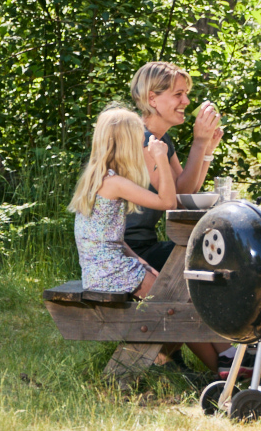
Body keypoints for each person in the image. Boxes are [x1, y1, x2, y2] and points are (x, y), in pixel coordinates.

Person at [121, 60, 220, 276]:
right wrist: (199, 144)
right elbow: (175, 201)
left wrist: (207, 151)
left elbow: (186, 192)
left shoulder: (160, 137)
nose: (186, 101)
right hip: (129, 254)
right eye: (178, 94)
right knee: (212, 255)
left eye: (186, 93)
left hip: (146, 246)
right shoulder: (142, 140)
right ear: (152, 99)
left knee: (217, 251)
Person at [69, 105, 175, 298]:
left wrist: (143, 264)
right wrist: (161, 158)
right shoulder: (115, 183)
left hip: (99, 272)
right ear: (127, 144)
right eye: (139, 141)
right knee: (172, 297)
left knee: (168, 289)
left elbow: (112, 239)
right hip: (111, 272)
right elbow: (168, 203)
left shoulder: (98, 179)